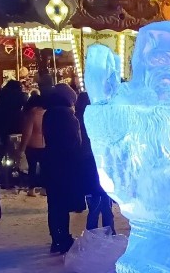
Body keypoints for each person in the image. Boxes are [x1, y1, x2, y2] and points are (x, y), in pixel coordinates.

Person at [42, 83, 85, 253]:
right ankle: (63, 237)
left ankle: (56, 237)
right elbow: (74, 141)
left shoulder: (49, 113)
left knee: (54, 203)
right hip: (65, 163)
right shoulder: (67, 115)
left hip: (51, 161)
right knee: (62, 201)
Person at [76, 92, 116, 234]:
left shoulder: (77, 120)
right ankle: (108, 231)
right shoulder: (99, 120)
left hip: (87, 163)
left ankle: (93, 233)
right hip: (99, 161)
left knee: (96, 202)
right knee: (103, 200)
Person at [0, 80, 28, 188]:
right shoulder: (21, 96)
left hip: (3, 122)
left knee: (3, 146)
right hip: (18, 123)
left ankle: (2, 169)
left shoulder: (1, 94)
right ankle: (19, 171)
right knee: (17, 148)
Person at [20, 93, 46, 197]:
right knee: (44, 167)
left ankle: (32, 189)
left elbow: (28, 132)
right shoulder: (47, 113)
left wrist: (22, 147)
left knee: (32, 168)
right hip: (45, 144)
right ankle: (44, 188)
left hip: (33, 144)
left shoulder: (32, 114)